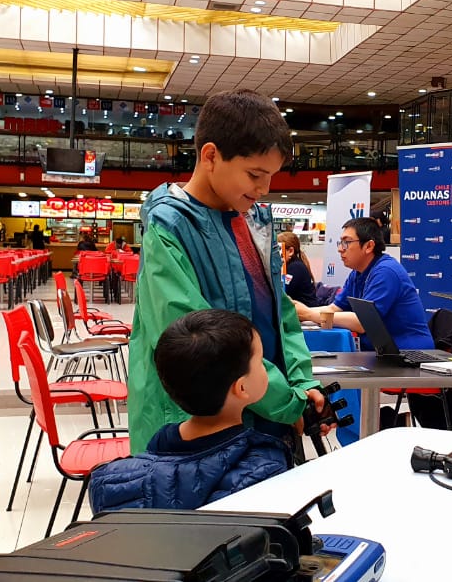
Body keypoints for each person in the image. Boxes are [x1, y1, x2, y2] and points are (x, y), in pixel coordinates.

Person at [130, 88, 329, 456]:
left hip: (269, 412)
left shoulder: (255, 221)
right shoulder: (168, 226)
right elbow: (200, 348)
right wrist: (287, 403)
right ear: (210, 155)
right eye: (254, 174)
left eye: (271, 175)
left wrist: (302, 383)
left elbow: (281, 313)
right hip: (205, 429)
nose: (264, 188)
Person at [89, 310, 289, 512]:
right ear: (242, 387)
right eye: (261, 362)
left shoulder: (112, 481)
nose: (265, 368)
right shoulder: (265, 468)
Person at [295, 217, 432, 353]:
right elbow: (335, 308)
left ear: (369, 246)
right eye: (340, 242)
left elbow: (362, 323)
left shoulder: (386, 272)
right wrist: (297, 311)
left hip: (408, 353)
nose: (340, 249)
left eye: (347, 242)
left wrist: (307, 313)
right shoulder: (357, 273)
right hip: (380, 352)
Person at [278, 230, 319, 307]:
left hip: (306, 315)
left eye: (279, 249)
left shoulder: (295, 267)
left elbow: (283, 293)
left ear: (290, 251)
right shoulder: (294, 265)